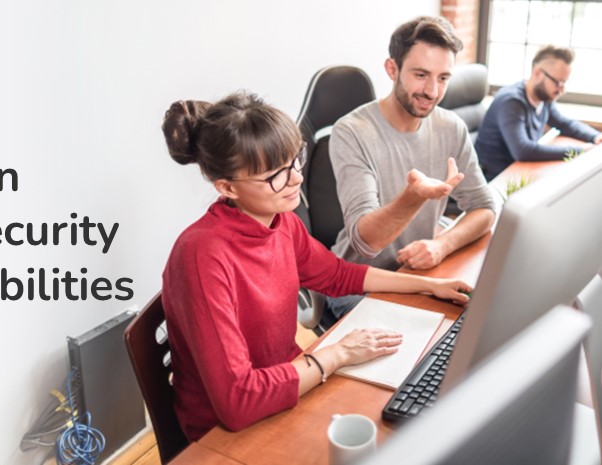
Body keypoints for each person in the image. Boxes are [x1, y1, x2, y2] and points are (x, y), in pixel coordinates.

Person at [160, 92, 473, 441]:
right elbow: (238, 401)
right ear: (227, 187)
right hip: (225, 432)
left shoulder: (281, 222)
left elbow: (337, 275)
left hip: (288, 384)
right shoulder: (202, 256)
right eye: (275, 175)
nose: (295, 179)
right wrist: (338, 354)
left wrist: (429, 286)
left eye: (296, 161)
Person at [328, 16, 496, 318]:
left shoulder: (450, 127)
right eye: (421, 75)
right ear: (392, 69)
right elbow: (367, 243)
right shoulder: (352, 132)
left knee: (476, 326)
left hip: (419, 274)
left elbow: (484, 207)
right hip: (359, 284)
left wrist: (442, 245)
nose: (432, 91)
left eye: (443, 77)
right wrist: (415, 196)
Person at [475, 45, 602, 181]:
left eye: (564, 83)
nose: (561, 90)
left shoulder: (543, 98)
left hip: (520, 171)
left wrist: (596, 137)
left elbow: (565, 124)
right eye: (558, 82)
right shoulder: (511, 102)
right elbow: (523, 151)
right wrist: (579, 152)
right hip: (495, 179)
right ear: (537, 73)